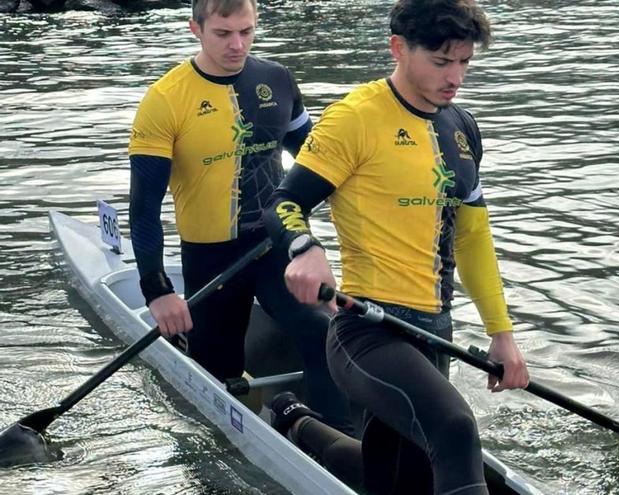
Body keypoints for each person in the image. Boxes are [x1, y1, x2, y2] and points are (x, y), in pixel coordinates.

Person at [263, 1, 530, 493]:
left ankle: (293, 419)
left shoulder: (463, 128)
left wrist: (502, 333)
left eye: (465, 62)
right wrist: (304, 247)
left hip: (434, 333)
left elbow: (473, 238)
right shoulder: (356, 117)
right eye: (441, 62)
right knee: (454, 428)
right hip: (367, 331)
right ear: (399, 49)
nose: (455, 77)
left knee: (395, 479)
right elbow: (283, 202)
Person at [127, 0, 353, 435]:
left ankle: (337, 443)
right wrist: (156, 289)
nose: (237, 45)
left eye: (247, 32)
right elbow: (144, 209)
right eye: (223, 34)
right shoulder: (164, 100)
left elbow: (318, 167)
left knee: (325, 334)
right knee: (219, 370)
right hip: (211, 259)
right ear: (196, 28)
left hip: (274, 247)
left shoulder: (277, 80)